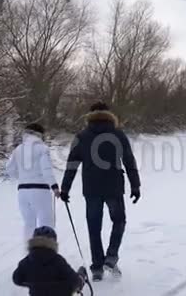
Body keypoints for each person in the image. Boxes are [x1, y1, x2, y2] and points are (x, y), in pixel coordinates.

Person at [60, 102, 141, 282]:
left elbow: (72, 164)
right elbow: (129, 160)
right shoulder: (118, 134)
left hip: (91, 189)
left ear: (90, 115)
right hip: (114, 187)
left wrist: (65, 188)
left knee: (94, 227)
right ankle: (111, 257)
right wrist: (135, 185)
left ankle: (97, 267)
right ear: (109, 114)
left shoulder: (81, 136)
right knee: (119, 220)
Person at [6, 123, 60, 242]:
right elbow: (46, 170)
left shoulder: (18, 149)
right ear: (39, 134)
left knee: (29, 224)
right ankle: (46, 253)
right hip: (40, 190)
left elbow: (9, 169)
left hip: (22, 191)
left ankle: (30, 254)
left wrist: (22, 178)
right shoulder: (42, 148)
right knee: (46, 223)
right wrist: (54, 186)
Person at [13, 226, 86, 296]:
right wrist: (80, 277)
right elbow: (73, 280)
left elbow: (16, 279)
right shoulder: (58, 260)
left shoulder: (26, 261)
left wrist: (32, 284)